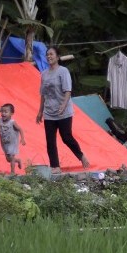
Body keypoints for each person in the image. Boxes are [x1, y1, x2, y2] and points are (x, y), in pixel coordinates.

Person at [36, 46, 90, 174]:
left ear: (57, 57)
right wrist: (40, 111)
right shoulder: (44, 74)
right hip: (49, 112)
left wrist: (63, 105)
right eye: (47, 55)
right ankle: (55, 166)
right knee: (50, 140)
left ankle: (81, 156)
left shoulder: (63, 71)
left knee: (66, 137)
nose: (49, 56)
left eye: (51, 54)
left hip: (64, 112)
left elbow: (68, 91)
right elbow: (43, 94)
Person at [0, 103, 26, 174]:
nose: (3, 113)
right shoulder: (1, 120)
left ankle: (12, 173)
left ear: (11, 113)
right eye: (2, 111)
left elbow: (20, 129)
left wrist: (22, 139)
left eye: (6, 112)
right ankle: (18, 160)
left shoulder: (12, 122)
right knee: (8, 159)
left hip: (12, 143)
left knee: (11, 157)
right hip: (5, 143)